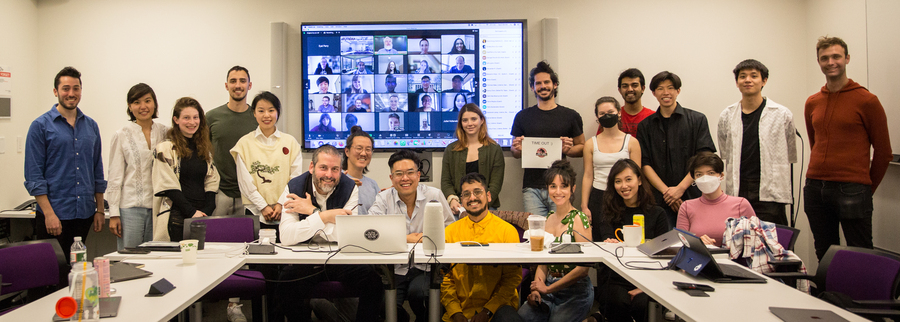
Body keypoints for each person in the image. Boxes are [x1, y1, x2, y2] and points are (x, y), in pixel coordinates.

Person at [804, 36, 891, 260]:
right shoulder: (813, 102)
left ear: (847, 59)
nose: (830, 62)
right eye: (824, 58)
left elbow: (883, 152)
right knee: (824, 253)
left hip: (852, 189)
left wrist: (865, 189)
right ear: (818, 62)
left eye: (836, 56)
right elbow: (816, 144)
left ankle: (858, 297)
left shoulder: (867, 100)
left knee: (859, 255)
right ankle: (828, 297)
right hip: (815, 188)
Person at [275, 145, 382, 322]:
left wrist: (312, 212)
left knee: (373, 283)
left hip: (340, 259)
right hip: (305, 260)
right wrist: (325, 216)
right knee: (285, 284)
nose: (329, 175)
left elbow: (348, 235)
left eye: (335, 169)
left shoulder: (349, 188)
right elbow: (287, 236)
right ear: (311, 168)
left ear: (341, 170)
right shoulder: (294, 187)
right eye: (323, 168)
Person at [25, 66, 106, 263]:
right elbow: (34, 175)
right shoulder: (40, 126)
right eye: (66, 88)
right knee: (50, 277)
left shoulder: (91, 126)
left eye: (76, 88)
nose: (71, 93)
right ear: (56, 91)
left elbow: (97, 170)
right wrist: (49, 214)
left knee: (77, 273)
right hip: (54, 215)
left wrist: (100, 209)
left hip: (84, 213)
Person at [369, 150, 455, 322]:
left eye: (410, 173)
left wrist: (431, 236)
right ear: (391, 178)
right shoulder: (383, 198)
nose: (405, 178)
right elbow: (372, 231)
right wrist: (406, 238)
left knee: (421, 296)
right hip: (394, 268)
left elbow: (451, 229)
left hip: (426, 267)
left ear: (418, 175)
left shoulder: (434, 195)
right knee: (383, 306)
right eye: (398, 174)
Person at [718, 59, 797, 226]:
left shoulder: (782, 114)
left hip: (770, 190)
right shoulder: (727, 115)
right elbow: (725, 152)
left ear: (764, 81)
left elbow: (790, 153)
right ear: (737, 82)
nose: (748, 80)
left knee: (772, 242)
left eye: (754, 76)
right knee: (739, 238)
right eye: (743, 76)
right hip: (739, 189)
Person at [593, 159, 669, 322]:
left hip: (649, 279)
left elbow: (664, 255)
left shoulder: (658, 214)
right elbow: (607, 244)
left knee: (643, 304)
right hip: (616, 279)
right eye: (618, 181)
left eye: (628, 179)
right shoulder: (608, 212)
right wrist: (610, 243)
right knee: (617, 302)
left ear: (639, 180)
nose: (624, 186)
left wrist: (645, 286)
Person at [636, 71, 716, 226]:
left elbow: (704, 159)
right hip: (658, 200)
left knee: (697, 242)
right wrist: (668, 193)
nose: (666, 93)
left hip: (693, 195)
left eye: (671, 88)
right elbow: (644, 163)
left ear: (678, 91)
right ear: (653, 93)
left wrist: (680, 189)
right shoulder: (645, 126)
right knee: (662, 246)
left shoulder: (697, 120)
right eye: (660, 88)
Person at [442, 173, 523, 322]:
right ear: (461, 200)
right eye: (466, 194)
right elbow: (445, 278)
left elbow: (512, 278)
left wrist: (487, 311)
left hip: (498, 309)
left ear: (488, 196)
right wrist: (455, 312)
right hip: (460, 310)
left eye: (477, 192)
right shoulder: (450, 232)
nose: (472, 198)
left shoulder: (507, 231)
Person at [518, 160, 593, 322]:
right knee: (522, 317)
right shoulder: (547, 219)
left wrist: (547, 288)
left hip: (575, 291)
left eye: (563, 186)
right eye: (553, 186)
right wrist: (537, 289)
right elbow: (543, 262)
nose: (558, 191)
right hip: (549, 287)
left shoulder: (579, 219)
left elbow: (583, 268)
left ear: (573, 189)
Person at [511, 61, 585, 217]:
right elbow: (514, 152)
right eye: (538, 83)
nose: (543, 86)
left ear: (555, 85)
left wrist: (569, 150)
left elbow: (582, 147)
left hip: (561, 186)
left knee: (561, 233)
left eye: (547, 82)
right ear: (533, 88)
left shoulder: (571, 116)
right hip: (532, 188)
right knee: (536, 233)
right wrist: (517, 148)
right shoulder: (522, 116)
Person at [107, 83, 169, 250]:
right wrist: (114, 214)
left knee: (156, 257)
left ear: (154, 103)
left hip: (159, 208)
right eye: (136, 102)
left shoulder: (166, 133)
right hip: (130, 209)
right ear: (130, 106)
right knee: (129, 259)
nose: (143, 107)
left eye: (147, 101)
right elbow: (115, 176)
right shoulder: (121, 135)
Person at [231, 91, 303, 235]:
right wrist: (263, 206)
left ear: (277, 112)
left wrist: (280, 204)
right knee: (255, 252)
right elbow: (245, 182)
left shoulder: (290, 142)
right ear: (254, 113)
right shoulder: (244, 144)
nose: (266, 115)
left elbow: (295, 179)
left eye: (271, 110)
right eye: (261, 111)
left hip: (285, 210)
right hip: (254, 211)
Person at [151, 97, 219, 242]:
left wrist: (206, 211)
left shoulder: (204, 150)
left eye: (195, 117)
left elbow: (211, 180)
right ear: (176, 120)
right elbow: (168, 185)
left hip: (201, 218)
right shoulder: (165, 149)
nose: (192, 122)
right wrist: (191, 212)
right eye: (186, 118)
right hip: (177, 218)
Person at [581, 96, 641, 233]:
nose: (606, 116)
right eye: (602, 114)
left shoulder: (632, 142)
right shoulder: (590, 144)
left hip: (625, 197)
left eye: (610, 112)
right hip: (598, 197)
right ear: (597, 117)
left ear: (619, 113)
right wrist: (584, 206)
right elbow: (588, 175)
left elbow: (638, 176)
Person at [207, 66, 258, 217]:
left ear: (249, 85)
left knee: (248, 238)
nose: (237, 85)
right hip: (219, 192)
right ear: (226, 85)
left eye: (242, 81)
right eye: (233, 81)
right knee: (215, 238)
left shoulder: (258, 118)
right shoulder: (211, 117)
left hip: (251, 194)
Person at [676, 152, 756, 246]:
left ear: (721, 175)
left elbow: (755, 241)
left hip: (732, 259)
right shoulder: (686, 207)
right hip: (700, 258)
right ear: (694, 179)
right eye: (699, 174)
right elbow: (681, 243)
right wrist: (698, 243)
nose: (705, 178)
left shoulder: (741, 204)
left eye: (711, 173)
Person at [442, 103, 505, 216]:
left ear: (481, 120)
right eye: (465, 120)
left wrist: (481, 205)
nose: (469, 123)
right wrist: (452, 200)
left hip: (487, 208)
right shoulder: (451, 150)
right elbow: (446, 182)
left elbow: (495, 184)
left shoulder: (494, 149)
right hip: (460, 209)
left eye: (473, 119)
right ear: (461, 123)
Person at [597, 68, 654, 136]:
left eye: (634, 85)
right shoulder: (611, 116)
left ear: (643, 88)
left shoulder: (653, 117)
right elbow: (600, 142)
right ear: (619, 90)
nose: (630, 89)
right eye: (625, 86)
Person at [342, 126, 379, 215]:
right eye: (359, 148)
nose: (363, 153)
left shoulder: (373, 185)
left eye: (368, 149)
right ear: (347, 151)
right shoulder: (337, 181)